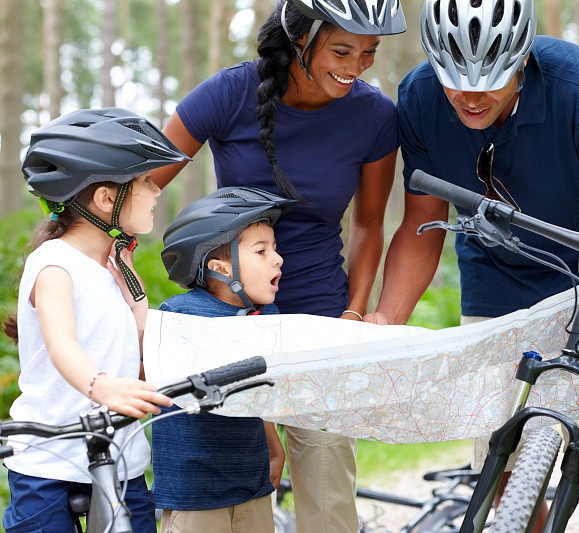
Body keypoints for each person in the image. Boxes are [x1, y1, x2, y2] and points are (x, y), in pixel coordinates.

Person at [364, 0, 579, 531]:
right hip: (495, 275)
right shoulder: (419, 96)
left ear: (523, 60)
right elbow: (422, 226)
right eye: (455, 80)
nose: (471, 96)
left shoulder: (578, 87)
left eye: (491, 80)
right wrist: (385, 323)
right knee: (500, 465)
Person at [149, 1, 404, 529]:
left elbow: (368, 224)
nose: (356, 67)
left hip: (319, 318)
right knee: (230, 490)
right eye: (342, 50)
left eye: (369, 53)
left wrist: (355, 313)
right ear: (300, 40)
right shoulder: (229, 93)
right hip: (230, 321)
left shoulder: (375, 116)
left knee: (329, 489)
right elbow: (145, 186)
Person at [1, 108, 187, 532]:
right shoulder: (53, 263)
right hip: (48, 460)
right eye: (145, 180)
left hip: (120, 455)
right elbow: (61, 341)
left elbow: (140, 330)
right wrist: (101, 386)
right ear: (106, 199)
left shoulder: (110, 265)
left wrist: (124, 266)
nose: (157, 190)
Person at [152, 186, 296, 533]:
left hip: (251, 481)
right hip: (196, 491)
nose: (277, 259)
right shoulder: (181, 314)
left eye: (274, 249)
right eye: (261, 251)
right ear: (219, 267)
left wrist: (273, 448)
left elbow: (257, 395)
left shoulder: (266, 315)